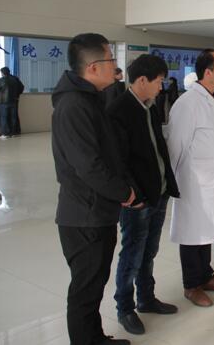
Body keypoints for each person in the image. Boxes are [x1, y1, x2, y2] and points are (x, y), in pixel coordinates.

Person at [52, 33, 136, 345]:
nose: (115, 66)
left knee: (94, 284)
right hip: (83, 215)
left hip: (97, 210)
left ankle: (94, 338)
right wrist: (124, 193)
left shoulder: (91, 99)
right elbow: (88, 166)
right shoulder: (74, 105)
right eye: (111, 60)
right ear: (93, 67)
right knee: (85, 289)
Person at [107, 55, 179, 334]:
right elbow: (118, 161)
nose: (161, 87)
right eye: (158, 82)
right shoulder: (119, 110)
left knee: (149, 250)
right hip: (137, 199)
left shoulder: (150, 106)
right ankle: (125, 308)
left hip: (158, 192)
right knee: (133, 254)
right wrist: (133, 195)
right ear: (141, 81)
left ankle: (146, 298)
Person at [167, 49, 214, 307]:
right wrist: (173, 183)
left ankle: (206, 276)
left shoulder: (213, 98)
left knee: (206, 231)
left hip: (212, 180)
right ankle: (191, 285)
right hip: (193, 182)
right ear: (208, 72)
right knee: (192, 233)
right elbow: (176, 146)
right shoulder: (187, 103)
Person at [0, 67, 23, 138]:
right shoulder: (15, 79)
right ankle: (14, 133)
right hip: (14, 101)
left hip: (4, 102)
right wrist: (17, 95)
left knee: (4, 117)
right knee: (13, 117)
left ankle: (5, 134)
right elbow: (22, 87)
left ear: (3, 73)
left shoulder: (2, 79)